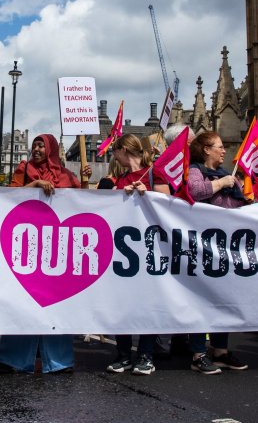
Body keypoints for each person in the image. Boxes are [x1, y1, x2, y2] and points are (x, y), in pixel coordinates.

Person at [0, 133, 90, 374]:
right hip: (26, 247)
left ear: (51, 149)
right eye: (35, 145)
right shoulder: (24, 169)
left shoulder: (66, 175)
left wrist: (85, 181)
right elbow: (10, 197)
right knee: (22, 303)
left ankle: (58, 360)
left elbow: (83, 203)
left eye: (42, 145)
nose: (37, 149)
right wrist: (35, 185)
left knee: (57, 305)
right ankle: (13, 359)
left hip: (56, 250)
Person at [100, 134, 169, 376]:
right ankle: (123, 355)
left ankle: (146, 355)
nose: (113, 157)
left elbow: (168, 206)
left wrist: (146, 195)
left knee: (148, 303)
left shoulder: (154, 173)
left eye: (114, 152)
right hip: (124, 251)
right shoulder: (121, 179)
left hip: (149, 249)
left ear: (124, 150)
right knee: (124, 304)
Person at [186, 131, 249, 375]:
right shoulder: (196, 171)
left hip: (227, 246)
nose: (224, 151)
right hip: (203, 246)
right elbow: (193, 191)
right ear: (206, 150)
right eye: (219, 147)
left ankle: (220, 350)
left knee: (225, 300)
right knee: (202, 300)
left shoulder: (228, 175)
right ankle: (198, 353)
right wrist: (221, 184)